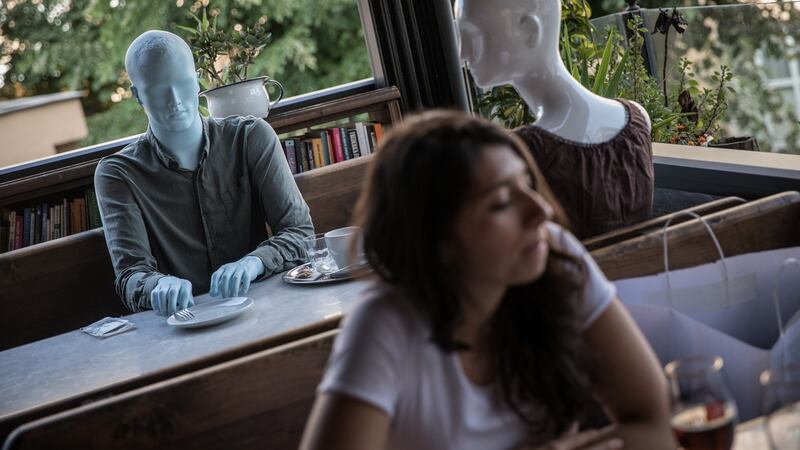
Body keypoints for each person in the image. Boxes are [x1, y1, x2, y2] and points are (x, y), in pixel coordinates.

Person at [300, 111, 675, 450]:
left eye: (527, 185)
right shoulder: (385, 324)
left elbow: (655, 420)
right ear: (437, 240)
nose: (540, 210)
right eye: (500, 203)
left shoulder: (552, 254)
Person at [95, 30, 313, 316]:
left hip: (266, 309)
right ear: (137, 95)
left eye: (183, 83)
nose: (175, 100)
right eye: (159, 90)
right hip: (184, 326)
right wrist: (158, 285)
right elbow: (130, 276)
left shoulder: (250, 138)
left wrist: (252, 263)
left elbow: (300, 233)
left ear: (197, 78)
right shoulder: (118, 174)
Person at [456, 0, 654, 238]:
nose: (462, 52)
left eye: (473, 36)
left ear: (530, 31)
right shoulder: (637, 118)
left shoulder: (519, 151)